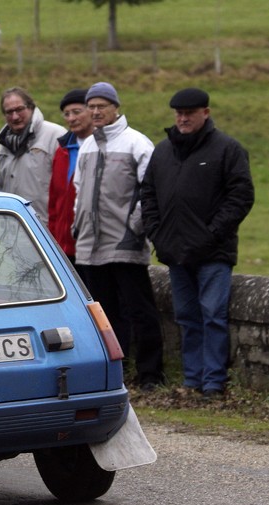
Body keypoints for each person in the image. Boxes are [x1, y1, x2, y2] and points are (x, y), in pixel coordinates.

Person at [140, 88, 254, 399]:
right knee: (187, 317)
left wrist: (211, 233)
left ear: (205, 112)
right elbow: (147, 194)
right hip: (175, 252)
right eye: (178, 113)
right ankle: (193, 381)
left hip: (214, 253)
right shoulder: (163, 151)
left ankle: (213, 384)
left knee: (213, 315)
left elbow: (241, 197)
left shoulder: (228, 149)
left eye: (189, 112)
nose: (183, 118)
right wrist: (157, 233)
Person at [73, 81, 165, 390]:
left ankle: (151, 374)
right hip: (89, 244)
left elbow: (150, 191)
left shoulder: (136, 143)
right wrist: (78, 226)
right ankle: (116, 372)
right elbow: (78, 191)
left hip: (125, 242)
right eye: (92, 106)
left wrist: (134, 228)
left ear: (116, 108)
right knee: (105, 314)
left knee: (139, 309)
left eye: (102, 106)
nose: (96, 111)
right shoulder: (86, 145)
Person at [0, 86, 63, 226]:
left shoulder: (55, 135)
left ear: (31, 107)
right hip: (12, 228)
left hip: (46, 228)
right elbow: (1, 187)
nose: (15, 116)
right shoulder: (4, 143)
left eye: (19, 109)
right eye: (9, 112)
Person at [47, 88, 93, 263]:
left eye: (76, 112)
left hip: (89, 247)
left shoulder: (101, 148)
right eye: (66, 114)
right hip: (62, 247)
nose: (71, 118)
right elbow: (54, 200)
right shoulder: (62, 150)